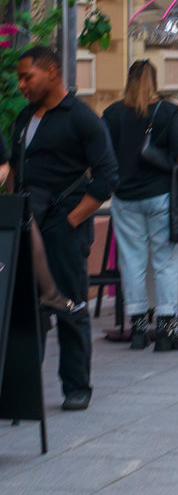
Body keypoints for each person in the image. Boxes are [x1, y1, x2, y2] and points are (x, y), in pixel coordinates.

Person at [10, 46, 119, 410]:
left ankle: (76, 387)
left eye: (28, 76)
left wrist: (70, 221)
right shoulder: (24, 118)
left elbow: (107, 178)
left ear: (52, 72)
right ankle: (24, 390)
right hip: (27, 228)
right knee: (27, 310)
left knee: (70, 306)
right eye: (19, 78)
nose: (21, 84)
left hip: (64, 230)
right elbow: (16, 172)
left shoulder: (82, 119)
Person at [102, 60, 178, 350]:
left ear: (129, 81)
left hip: (124, 198)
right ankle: (167, 328)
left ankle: (138, 327)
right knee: (166, 262)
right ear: (154, 81)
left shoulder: (112, 114)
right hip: (160, 196)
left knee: (132, 262)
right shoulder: (167, 111)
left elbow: (102, 156)